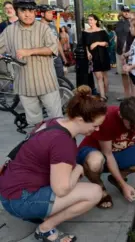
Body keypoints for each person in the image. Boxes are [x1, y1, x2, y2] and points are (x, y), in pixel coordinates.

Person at [0, 85, 106, 242]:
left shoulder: (55, 121)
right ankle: (45, 228)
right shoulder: (62, 142)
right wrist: (77, 169)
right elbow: (61, 190)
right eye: (95, 125)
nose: (97, 130)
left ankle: (41, 213)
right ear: (79, 119)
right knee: (95, 192)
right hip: (19, 200)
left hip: (10, 190)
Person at [77, 97, 135, 210]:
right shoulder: (108, 118)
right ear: (121, 115)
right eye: (131, 125)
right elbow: (108, 155)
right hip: (93, 151)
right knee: (95, 162)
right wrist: (123, 185)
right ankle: (101, 189)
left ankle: (117, 178)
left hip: (119, 152)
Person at [0, 0, 63, 127]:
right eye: (23, 11)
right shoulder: (9, 31)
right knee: (35, 124)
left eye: (31, 11)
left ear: (35, 12)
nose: (27, 15)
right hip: (25, 85)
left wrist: (30, 51)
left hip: (47, 84)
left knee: (56, 121)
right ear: (17, 11)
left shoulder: (43, 28)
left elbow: (52, 49)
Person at [84, 14, 111, 102]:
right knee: (99, 76)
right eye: (88, 20)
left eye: (91, 19)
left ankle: (105, 93)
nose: (89, 21)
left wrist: (97, 43)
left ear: (96, 21)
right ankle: (102, 96)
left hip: (103, 55)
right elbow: (85, 45)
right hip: (93, 56)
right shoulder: (85, 32)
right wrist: (87, 53)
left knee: (105, 76)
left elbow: (107, 43)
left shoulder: (102, 31)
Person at [38, 4, 69, 78]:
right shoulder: (37, 27)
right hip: (44, 60)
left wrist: (63, 58)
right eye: (49, 13)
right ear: (42, 14)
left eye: (52, 13)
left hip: (57, 59)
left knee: (60, 80)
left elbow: (57, 42)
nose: (51, 15)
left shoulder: (53, 27)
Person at [115, 6, 133, 100]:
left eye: (127, 11)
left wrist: (126, 49)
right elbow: (117, 36)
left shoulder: (131, 22)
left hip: (128, 51)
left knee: (129, 74)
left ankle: (132, 95)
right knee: (123, 74)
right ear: (121, 12)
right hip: (119, 50)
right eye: (124, 11)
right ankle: (126, 95)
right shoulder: (118, 23)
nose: (126, 13)